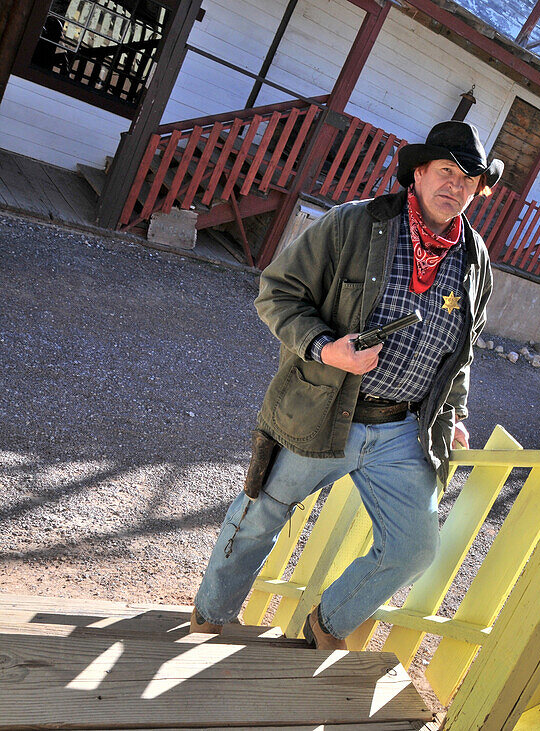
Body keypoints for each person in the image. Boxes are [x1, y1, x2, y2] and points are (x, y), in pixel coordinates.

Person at [189, 121, 501, 650]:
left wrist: (455, 411)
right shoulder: (353, 225)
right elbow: (277, 292)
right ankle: (209, 618)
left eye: (469, 180)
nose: (457, 187)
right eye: (446, 171)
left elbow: (462, 349)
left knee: (413, 549)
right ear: (418, 173)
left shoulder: (476, 258)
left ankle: (327, 623)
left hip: (406, 430)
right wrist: (326, 348)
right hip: (325, 410)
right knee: (260, 516)